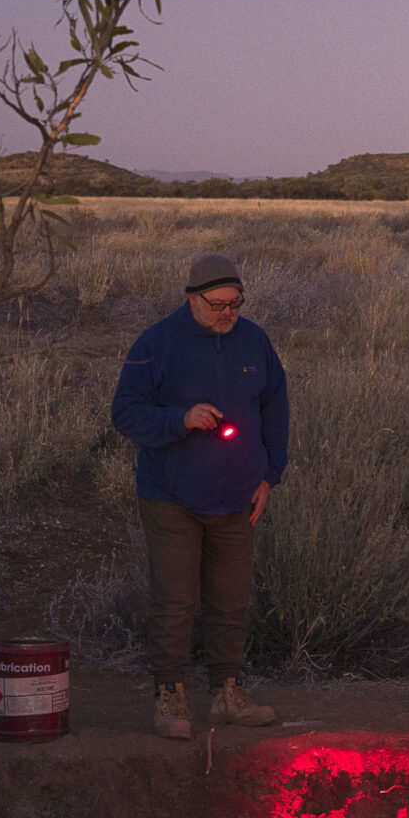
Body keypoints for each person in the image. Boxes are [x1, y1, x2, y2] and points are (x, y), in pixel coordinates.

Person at [110, 251, 290, 738]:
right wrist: (179, 419)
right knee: (175, 602)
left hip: (238, 497)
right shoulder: (157, 343)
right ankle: (170, 697)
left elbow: (276, 409)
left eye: (235, 304)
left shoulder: (255, 342)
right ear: (191, 299)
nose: (227, 314)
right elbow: (124, 413)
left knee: (231, 602)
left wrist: (269, 475)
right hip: (171, 496)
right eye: (217, 305)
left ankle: (228, 693)